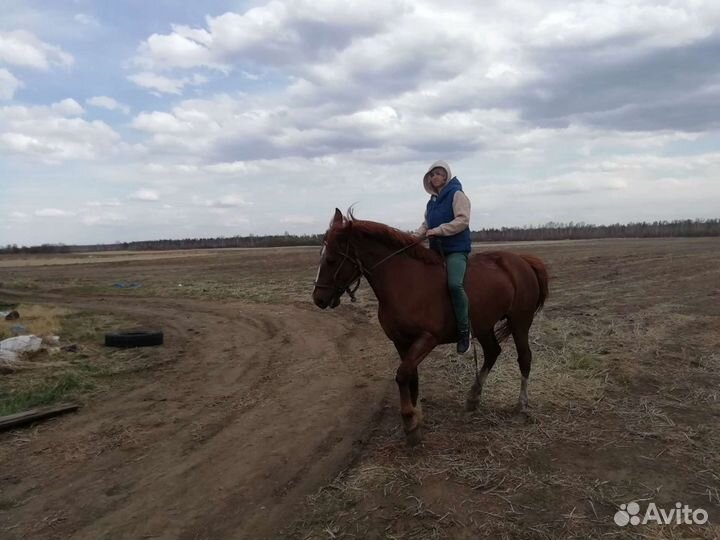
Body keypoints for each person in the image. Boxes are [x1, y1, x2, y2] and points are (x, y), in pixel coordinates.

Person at [414, 160, 472, 354]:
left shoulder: (457, 194)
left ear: (446, 176)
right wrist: (412, 238)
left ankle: (464, 331)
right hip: (436, 251)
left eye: (438, 173)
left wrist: (439, 230)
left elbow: (462, 220)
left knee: (454, 285)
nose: (434, 177)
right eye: (432, 174)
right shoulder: (431, 202)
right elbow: (425, 225)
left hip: (455, 250)